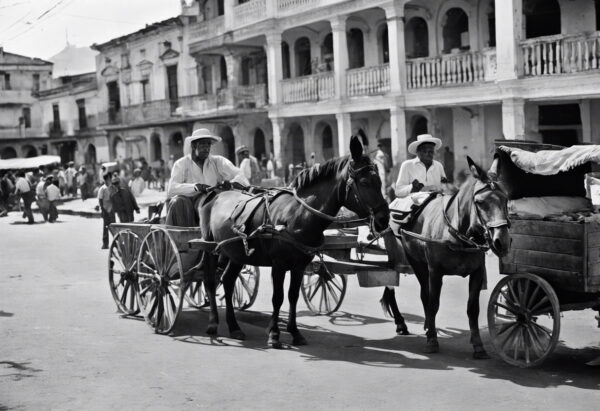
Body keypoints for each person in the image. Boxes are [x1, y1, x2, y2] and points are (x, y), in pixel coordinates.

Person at [167, 128, 249, 227]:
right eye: (202, 144)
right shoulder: (181, 164)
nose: (206, 148)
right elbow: (172, 188)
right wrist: (195, 187)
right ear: (193, 145)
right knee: (178, 202)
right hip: (189, 208)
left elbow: (240, 174)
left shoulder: (218, 161)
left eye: (208, 144)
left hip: (213, 204)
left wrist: (232, 184)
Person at [390, 134, 447, 211]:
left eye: (431, 151)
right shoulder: (407, 165)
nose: (428, 154)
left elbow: (444, 187)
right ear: (417, 152)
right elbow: (398, 191)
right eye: (424, 151)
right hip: (415, 208)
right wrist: (413, 188)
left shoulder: (438, 166)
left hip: (436, 205)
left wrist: (444, 187)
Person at [98, 173, 116, 249]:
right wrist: (102, 209)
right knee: (106, 227)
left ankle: (115, 243)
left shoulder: (112, 188)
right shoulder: (102, 188)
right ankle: (105, 244)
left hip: (112, 209)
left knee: (114, 227)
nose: (110, 180)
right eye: (109, 178)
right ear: (106, 179)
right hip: (105, 209)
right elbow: (100, 199)